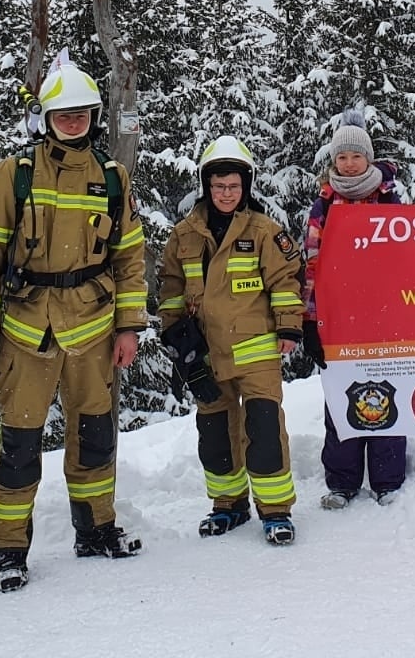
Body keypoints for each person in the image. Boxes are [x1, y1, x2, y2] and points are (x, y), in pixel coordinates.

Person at [0, 60, 148, 592]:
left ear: (94, 117)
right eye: (63, 115)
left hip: (92, 326)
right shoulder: (15, 173)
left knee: (95, 437)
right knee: (19, 445)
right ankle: (8, 550)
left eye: (81, 114)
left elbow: (129, 258)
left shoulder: (111, 178)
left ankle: (95, 530)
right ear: (46, 118)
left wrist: (129, 326)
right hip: (27, 329)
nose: (73, 122)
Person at [157, 135, 306, 545]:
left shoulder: (264, 231)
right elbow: (170, 288)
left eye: (234, 186)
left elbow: (286, 280)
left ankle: (275, 510)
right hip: (205, 353)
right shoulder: (184, 235)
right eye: (219, 185)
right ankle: (228, 504)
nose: (226, 193)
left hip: (256, 349)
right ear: (206, 185)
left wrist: (289, 326)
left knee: (264, 428)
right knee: (216, 433)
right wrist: (175, 335)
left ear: (246, 186)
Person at [301, 110, 407, 508]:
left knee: (388, 391)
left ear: (368, 158)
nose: (348, 164)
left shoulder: (389, 199)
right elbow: (312, 265)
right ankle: (342, 482)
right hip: (338, 318)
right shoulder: (324, 206)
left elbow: (409, 259)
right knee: (342, 397)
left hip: (384, 316)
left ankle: (387, 480)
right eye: (342, 157)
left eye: (356, 156)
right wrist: (309, 320)